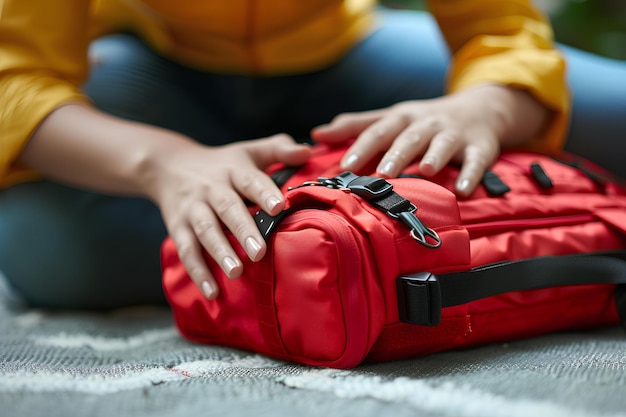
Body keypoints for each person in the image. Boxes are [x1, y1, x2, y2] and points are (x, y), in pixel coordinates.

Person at [0, 0, 623, 309]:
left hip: (351, 59)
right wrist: (163, 164)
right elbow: (16, 81)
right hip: (149, 78)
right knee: (48, 253)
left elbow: (503, 31)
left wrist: (482, 107)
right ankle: (328, 228)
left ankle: (304, 222)